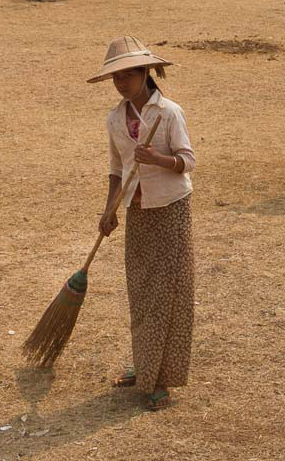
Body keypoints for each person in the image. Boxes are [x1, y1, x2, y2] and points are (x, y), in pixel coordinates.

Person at [88, 36, 195, 411]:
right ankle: (146, 365)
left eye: (128, 75)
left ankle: (160, 379)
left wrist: (156, 159)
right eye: (116, 77)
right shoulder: (115, 119)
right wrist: (109, 210)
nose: (121, 82)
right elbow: (117, 170)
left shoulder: (169, 112)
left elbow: (188, 161)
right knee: (142, 293)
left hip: (171, 210)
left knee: (169, 296)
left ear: (145, 72)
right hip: (138, 212)